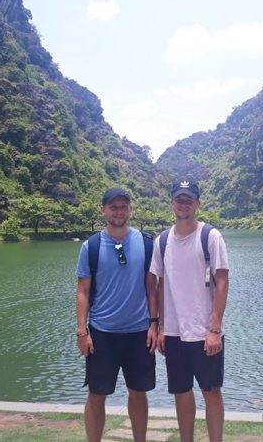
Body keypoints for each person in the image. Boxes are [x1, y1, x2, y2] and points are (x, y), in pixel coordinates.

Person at [74, 187, 159, 442]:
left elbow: (152, 288)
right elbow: (83, 292)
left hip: (139, 333)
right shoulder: (92, 246)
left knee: (138, 392)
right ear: (103, 210)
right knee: (97, 394)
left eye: (123, 206)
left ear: (130, 210)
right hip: (102, 334)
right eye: (113, 206)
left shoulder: (146, 244)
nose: (118, 211)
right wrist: (82, 332)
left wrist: (155, 324)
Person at [150, 178, 230, 442]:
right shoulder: (162, 241)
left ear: (198, 203)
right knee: (181, 392)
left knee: (211, 391)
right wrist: (161, 326)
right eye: (179, 198)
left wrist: (214, 329)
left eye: (189, 199)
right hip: (174, 333)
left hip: (204, 331)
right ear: (172, 202)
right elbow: (160, 285)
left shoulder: (210, 237)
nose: (183, 203)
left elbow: (222, 282)